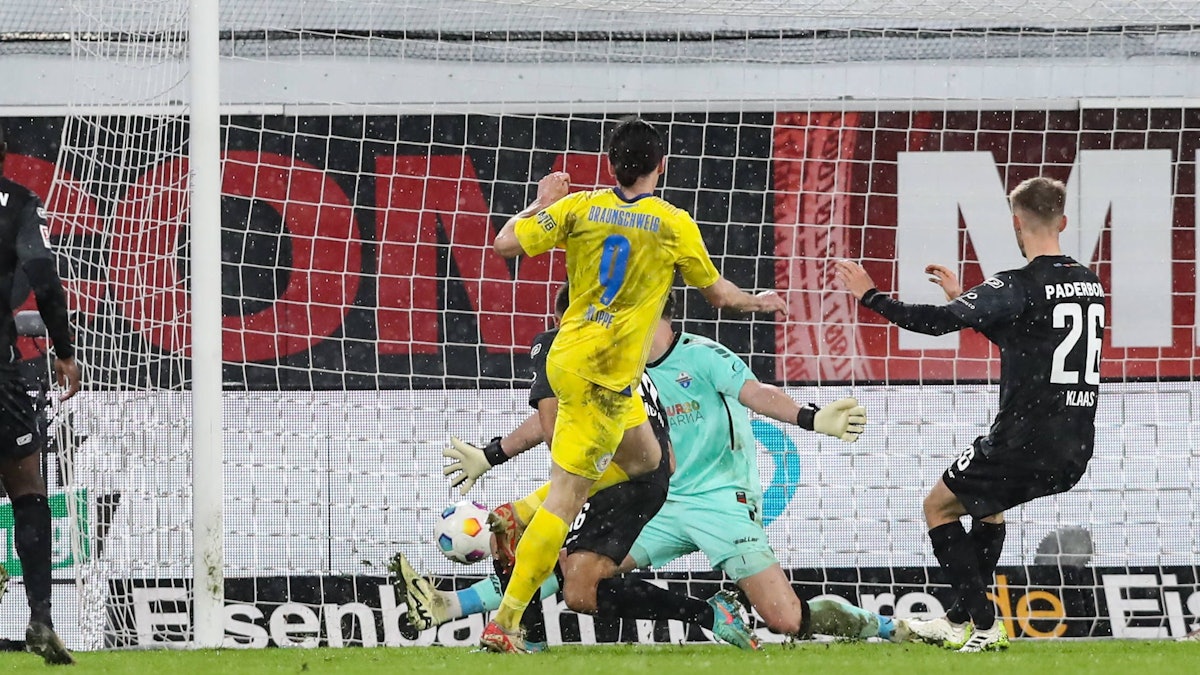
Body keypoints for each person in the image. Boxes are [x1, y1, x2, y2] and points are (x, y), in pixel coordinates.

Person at [403, 290, 899, 647]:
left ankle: (875, 626)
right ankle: (467, 608)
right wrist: (492, 454)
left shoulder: (702, 356)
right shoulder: (610, 364)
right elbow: (551, 420)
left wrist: (812, 418)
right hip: (657, 499)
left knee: (785, 620)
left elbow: (758, 394)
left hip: (719, 500)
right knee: (578, 576)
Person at [482, 117, 786, 651]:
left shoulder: (579, 207)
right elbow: (718, 295)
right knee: (566, 497)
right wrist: (758, 300)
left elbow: (505, 243)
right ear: (661, 165)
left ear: (609, 164)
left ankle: (538, 513)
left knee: (649, 461)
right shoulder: (671, 222)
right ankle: (505, 623)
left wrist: (540, 200)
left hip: (579, 359)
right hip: (599, 373)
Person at [396, 286, 761, 652]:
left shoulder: (557, 343)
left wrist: (550, 495)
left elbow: (553, 431)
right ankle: (710, 614)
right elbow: (662, 452)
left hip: (620, 479)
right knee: (578, 588)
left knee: (521, 539)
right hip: (646, 478)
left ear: (560, 318)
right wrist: (493, 455)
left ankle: (515, 631)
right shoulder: (624, 347)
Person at [833, 176, 1104, 653]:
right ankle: (959, 618)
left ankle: (984, 622)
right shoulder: (1089, 282)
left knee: (937, 507)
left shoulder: (1018, 283)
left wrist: (871, 296)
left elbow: (936, 325)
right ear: (1062, 222)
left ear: (1017, 224)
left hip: (1025, 438)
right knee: (987, 504)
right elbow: (1033, 344)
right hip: (1075, 445)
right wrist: (969, 303)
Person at [0, 124, 82, 666]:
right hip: (0, 368)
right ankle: (41, 617)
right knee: (28, 490)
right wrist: (65, 347)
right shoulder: (20, 202)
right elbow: (43, 273)